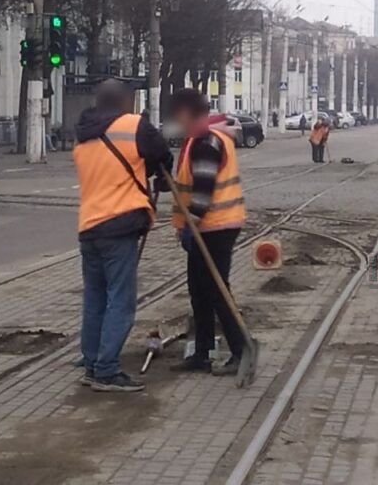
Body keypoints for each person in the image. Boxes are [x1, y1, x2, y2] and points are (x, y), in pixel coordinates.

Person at [73, 80, 173, 392]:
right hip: (119, 226)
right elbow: (162, 154)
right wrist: (160, 176)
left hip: (89, 227)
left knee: (95, 299)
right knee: (120, 300)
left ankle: (92, 363)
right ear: (124, 101)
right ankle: (106, 370)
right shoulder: (133, 125)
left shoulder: (83, 133)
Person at [166, 88, 247, 376]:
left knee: (216, 290)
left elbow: (203, 189)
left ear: (187, 113)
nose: (176, 120)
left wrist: (191, 221)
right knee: (199, 290)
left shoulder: (207, 141)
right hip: (207, 226)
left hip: (215, 226)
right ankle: (202, 352)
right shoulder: (197, 138)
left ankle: (241, 350)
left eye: (177, 115)